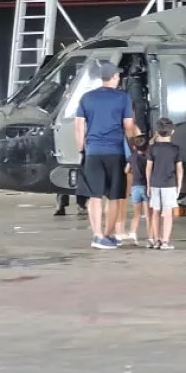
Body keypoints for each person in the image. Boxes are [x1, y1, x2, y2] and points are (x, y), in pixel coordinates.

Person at [74, 60, 138, 250]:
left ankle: (97, 235)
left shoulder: (87, 98)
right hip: (115, 152)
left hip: (93, 152)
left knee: (94, 196)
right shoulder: (123, 98)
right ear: (115, 77)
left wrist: (82, 148)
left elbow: (78, 126)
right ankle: (109, 235)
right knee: (114, 197)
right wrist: (135, 150)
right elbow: (128, 126)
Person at [145, 118, 182, 249]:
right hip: (170, 184)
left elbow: (148, 168)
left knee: (155, 212)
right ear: (172, 132)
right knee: (167, 213)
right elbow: (179, 169)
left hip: (155, 183)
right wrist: (179, 185)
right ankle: (165, 241)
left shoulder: (152, 149)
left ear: (157, 132)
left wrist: (148, 185)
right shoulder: (175, 149)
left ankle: (156, 240)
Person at [123, 134, 150, 245]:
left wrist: (133, 172)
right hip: (146, 186)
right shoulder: (148, 158)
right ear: (147, 146)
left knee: (136, 214)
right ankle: (150, 236)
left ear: (134, 147)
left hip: (135, 187)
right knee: (148, 215)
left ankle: (133, 234)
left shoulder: (131, 158)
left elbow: (126, 170)